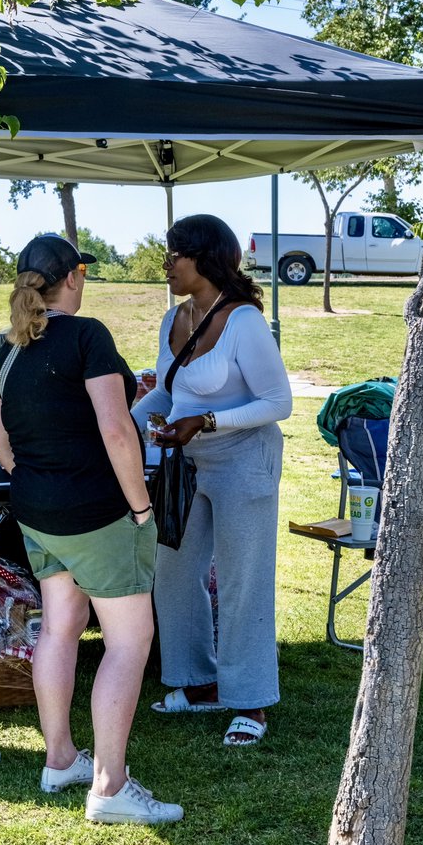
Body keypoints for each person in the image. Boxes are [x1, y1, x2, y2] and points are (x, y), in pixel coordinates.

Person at [0, 233, 183, 825]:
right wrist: (141, 508)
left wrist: (38, 477)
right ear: (73, 277)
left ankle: (61, 760)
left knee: (60, 628)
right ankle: (109, 786)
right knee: (128, 642)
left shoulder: (8, 351)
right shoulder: (87, 335)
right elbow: (117, 430)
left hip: (38, 513)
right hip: (95, 513)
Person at [133, 214, 292, 746]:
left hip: (245, 458)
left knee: (244, 579)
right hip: (187, 461)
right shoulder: (174, 317)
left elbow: (278, 403)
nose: (166, 264)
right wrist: (124, 422)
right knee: (174, 570)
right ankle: (198, 682)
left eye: (174, 254)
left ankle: (250, 701)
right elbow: (169, 391)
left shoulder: (244, 321)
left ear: (205, 258)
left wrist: (206, 421)